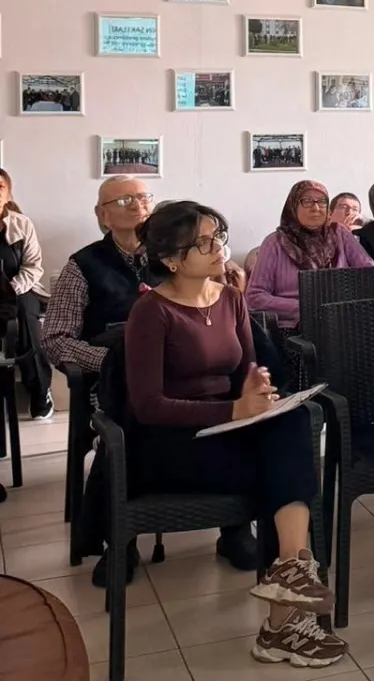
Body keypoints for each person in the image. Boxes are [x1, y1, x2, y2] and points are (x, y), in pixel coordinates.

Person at [124, 201, 346, 667]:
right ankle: (283, 620)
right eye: (203, 243)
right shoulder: (151, 311)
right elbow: (147, 406)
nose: (218, 248)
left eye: (218, 237)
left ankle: (288, 577)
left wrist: (256, 388)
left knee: (291, 422)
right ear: (171, 259)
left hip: (226, 430)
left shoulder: (229, 298)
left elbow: (247, 366)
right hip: (171, 445)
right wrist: (233, 408)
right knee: (284, 471)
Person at [42, 178, 253, 585]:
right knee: (129, 418)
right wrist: (117, 361)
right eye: (124, 199)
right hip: (119, 381)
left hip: (194, 374)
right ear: (102, 215)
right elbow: (56, 339)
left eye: (143, 196)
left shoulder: (188, 254)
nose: (137, 204)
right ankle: (121, 537)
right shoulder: (83, 266)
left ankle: (236, 526)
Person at [246, 180, 374, 325]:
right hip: (296, 326)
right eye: (307, 201)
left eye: (322, 202)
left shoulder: (339, 234)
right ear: (293, 206)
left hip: (343, 320)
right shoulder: (274, 243)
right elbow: (254, 297)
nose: (316, 208)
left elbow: (371, 274)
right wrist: (303, 308)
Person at [0, 168, 50, 420]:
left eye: (0, 187)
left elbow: (33, 267)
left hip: (20, 288)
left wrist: (11, 289)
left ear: (8, 194)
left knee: (25, 321)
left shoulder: (22, 224)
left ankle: (40, 394)